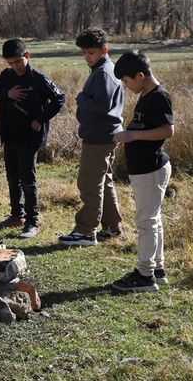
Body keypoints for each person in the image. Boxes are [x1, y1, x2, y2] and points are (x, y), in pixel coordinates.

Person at [111, 50, 175, 292]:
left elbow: (168, 130)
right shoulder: (147, 94)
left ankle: (144, 276)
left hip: (151, 168)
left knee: (146, 222)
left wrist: (132, 135)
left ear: (139, 75)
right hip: (143, 169)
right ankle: (157, 269)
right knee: (152, 220)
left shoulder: (159, 96)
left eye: (127, 81)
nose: (126, 87)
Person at [0, 39, 66, 238]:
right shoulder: (6, 76)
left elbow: (59, 98)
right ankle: (17, 215)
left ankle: (33, 222)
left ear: (27, 56)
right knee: (12, 178)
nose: (15, 66)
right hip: (10, 135)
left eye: (18, 61)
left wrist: (41, 119)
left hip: (30, 138)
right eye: (11, 63)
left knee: (27, 179)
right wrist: (7, 93)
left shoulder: (38, 79)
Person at [58, 28, 124, 247]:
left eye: (91, 52)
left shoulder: (104, 72)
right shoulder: (105, 68)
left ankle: (86, 231)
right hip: (106, 134)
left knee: (89, 183)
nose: (87, 57)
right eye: (84, 53)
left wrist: (81, 99)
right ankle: (112, 226)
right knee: (104, 181)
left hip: (99, 136)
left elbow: (102, 104)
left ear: (104, 50)